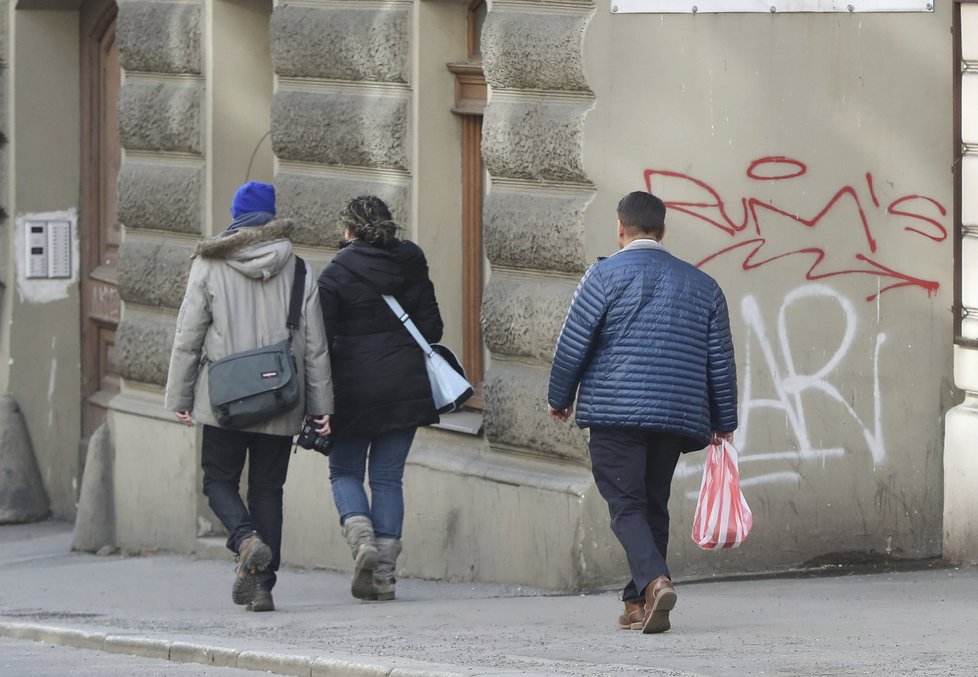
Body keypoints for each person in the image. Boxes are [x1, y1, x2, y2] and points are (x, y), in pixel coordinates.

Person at [547, 191, 738, 634]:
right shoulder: (703, 285)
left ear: (620, 228)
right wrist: (724, 422)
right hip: (675, 416)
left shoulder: (603, 276)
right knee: (653, 504)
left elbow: (574, 342)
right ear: (663, 231)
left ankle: (655, 582)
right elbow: (721, 361)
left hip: (616, 411)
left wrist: (560, 397)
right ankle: (638, 604)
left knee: (625, 505)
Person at [164, 181, 333, 612]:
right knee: (268, 490)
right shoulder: (298, 268)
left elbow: (188, 337)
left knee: (218, 480)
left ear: (235, 215)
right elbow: (314, 347)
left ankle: (245, 540)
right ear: (272, 216)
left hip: (226, 400)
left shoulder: (209, 265)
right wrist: (320, 409)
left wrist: (180, 396)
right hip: (283, 397)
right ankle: (262, 586)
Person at [317, 195, 443, 601]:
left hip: (351, 390)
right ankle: (385, 577)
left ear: (348, 230)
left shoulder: (335, 272)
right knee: (388, 478)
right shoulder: (411, 259)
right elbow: (432, 328)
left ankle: (362, 544)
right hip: (405, 385)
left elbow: (321, 340)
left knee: (345, 472)